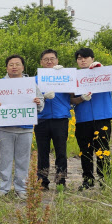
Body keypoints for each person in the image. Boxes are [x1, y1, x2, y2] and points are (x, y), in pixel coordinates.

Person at [70, 47, 112, 190]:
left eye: (86, 57)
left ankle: (105, 180)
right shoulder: (75, 76)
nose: (83, 60)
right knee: (85, 152)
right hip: (83, 119)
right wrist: (81, 98)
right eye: (79, 58)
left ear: (92, 59)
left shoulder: (103, 72)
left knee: (103, 150)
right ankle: (87, 180)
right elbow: (71, 98)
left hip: (103, 117)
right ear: (77, 61)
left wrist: (102, 69)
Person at [0, 55, 44, 198]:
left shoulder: (30, 84)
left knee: (23, 159)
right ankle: (3, 188)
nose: (14, 67)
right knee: (5, 159)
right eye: (11, 64)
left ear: (23, 67)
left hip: (25, 128)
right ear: (6, 67)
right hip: (5, 128)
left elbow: (41, 102)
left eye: (17, 64)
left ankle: (21, 188)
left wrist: (38, 102)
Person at [34, 50, 70, 191]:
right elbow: (31, 98)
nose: (49, 61)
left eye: (52, 59)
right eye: (46, 59)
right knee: (43, 152)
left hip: (60, 118)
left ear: (57, 60)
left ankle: (61, 181)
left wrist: (65, 75)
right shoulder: (35, 79)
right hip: (41, 118)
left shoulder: (65, 76)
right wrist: (43, 96)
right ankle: (42, 181)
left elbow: (74, 93)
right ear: (41, 62)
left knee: (61, 151)